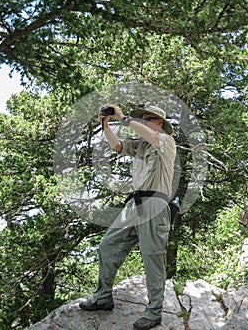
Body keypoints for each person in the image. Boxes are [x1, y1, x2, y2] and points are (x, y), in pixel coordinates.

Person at [79, 104, 176, 330]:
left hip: (155, 204)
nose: (142, 122)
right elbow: (118, 145)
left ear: (159, 122)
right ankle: (103, 297)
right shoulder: (141, 145)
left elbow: (151, 135)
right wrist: (105, 124)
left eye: (147, 119)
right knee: (108, 246)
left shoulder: (165, 141)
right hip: (135, 204)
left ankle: (154, 313)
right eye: (141, 119)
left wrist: (123, 119)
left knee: (152, 259)